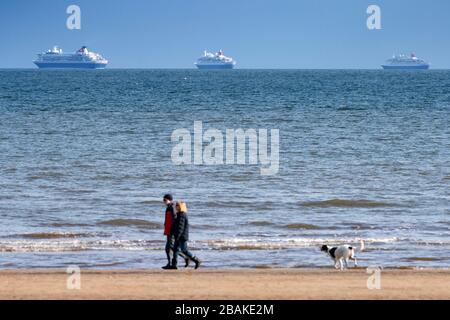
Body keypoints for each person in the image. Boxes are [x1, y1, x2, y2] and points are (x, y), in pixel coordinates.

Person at [170, 201, 201, 270]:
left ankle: (197, 260)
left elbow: (181, 227)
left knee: (184, 250)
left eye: (177, 205)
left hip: (182, 236)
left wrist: (177, 236)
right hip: (178, 235)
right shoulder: (178, 214)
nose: (176, 206)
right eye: (176, 205)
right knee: (175, 250)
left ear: (181, 206)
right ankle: (174, 265)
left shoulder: (182, 215)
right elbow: (175, 225)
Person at [161, 194, 189, 270]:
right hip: (168, 231)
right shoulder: (169, 207)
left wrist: (173, 231)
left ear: (170, 200)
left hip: (172, 231)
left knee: (169, 248)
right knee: (172, 248)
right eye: (163, 200)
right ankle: (183, 258)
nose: (164, 202)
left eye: (165, 200)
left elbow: (175, 219)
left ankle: (171, 264)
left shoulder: (172, 207)